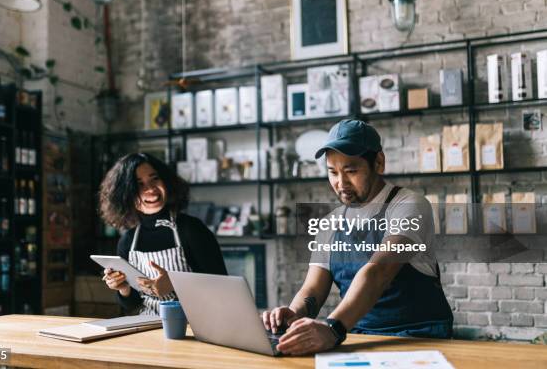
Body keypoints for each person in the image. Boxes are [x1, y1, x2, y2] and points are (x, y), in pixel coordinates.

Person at [263, 119, 453, 355]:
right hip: (358, 337)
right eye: (332, 172)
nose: (340, 183)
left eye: (351, 171)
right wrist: (293, 316)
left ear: (379, 163)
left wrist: (331, 328)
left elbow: (378, 272)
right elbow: (312, 290)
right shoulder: (330, 223)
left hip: (419, 337)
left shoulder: (409, 205)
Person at [99, 152, 227, 315]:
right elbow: (132, 304)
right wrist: (123, 288)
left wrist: (176, 283)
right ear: (126, 194)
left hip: (195, 327)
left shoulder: (191, 229)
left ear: (166, 181)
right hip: (149, 327)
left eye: (155, 179)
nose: (151, 189)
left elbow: (223, 288)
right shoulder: (128, 240)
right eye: (139, 184)